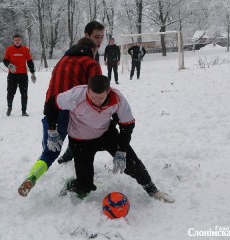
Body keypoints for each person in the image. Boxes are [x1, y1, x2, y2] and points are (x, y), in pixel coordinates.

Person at [44, 75, 175, 203]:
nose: (96, 101)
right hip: (80, 140)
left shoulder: (118, 98)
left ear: (108, 91)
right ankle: (72, 185)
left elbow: (127, 125)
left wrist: (122, 150)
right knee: (84, 187)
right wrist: (51, 130)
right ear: (88, 90)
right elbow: (51, 104)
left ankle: (153, 190)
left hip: (105, 134)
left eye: (100, 98)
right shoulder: (75, 95)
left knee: (132, 163)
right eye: (92, 96)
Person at [18, 37, 102, 197]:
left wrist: (51, 126)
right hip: (73, 110)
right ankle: (82, 185)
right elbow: (97, 91)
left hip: (51, 110)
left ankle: (32, 176)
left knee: (50, 151)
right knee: (84, 145)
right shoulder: (91, 63)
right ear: (92, 50)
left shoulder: (62, 61)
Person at [57, 20, 105, 164]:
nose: (100, 40)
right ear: (87, 35)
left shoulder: (93, 54)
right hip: (70, 99)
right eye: (96, 37)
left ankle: (72, 153)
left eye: (102, 37)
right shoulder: (76, 52)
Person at [3, 34, 36, 117]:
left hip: (23, 75)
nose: (17, 42)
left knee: (24, 93)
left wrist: (32, 73)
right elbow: (5, 60)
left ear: (21, 40)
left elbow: (29, 61)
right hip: (12, 75)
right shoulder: (9, 49)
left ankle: (24, 111)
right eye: (15, 40)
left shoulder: (25, 49)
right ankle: (9, 107)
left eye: (19, 40)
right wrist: (9, 66)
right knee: (10, 92)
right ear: (13, 41)